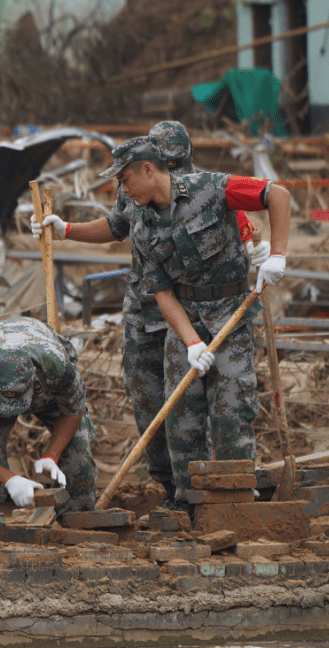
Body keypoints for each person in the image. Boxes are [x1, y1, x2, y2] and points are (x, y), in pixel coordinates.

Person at [31, 121, 270, 509]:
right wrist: (66, 230)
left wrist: (260, 249)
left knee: (216, 401)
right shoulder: (136, 193)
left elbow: (243, 220)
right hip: (150, 310)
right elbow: (115, 226)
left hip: (200, 309)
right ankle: (173, 488)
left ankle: (222, 487)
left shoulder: (200, 188)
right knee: (154, 403)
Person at [108, 136, 290, 510]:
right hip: (184, 322)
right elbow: (161, 292)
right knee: (182, 417)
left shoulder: (212, 188)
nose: (122, 190)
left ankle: (235, 498)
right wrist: (191, 343)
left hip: (231, 316)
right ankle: (188, 501)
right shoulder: (141, 226)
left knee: (230, 409)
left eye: (125, 179)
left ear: (148, 170)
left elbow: (278, 194)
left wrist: (278, 253)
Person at [0, 317, 95, 552]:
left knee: (79, 453)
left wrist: (51, 456)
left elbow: (73, 411)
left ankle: (78, 532)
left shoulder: (56, 365)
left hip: (47, 390)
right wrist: (10, 478)